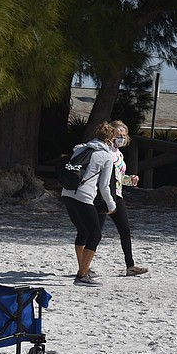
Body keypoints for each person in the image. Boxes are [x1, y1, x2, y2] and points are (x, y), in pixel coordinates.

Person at [61, 122, 117, 287]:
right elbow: (104, 186)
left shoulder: (80, 149)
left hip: (67, 193)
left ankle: (83, 268)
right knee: (95, 234)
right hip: (83, 197)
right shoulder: (106, 156)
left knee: (83, 231)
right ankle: (82, 275)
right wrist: (111, 204)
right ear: (110, 140)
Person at [97, 120, 148, 277]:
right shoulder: (104, 151)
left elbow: (117, 177)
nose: (121, 138)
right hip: (101, 196)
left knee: (125, 230)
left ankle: (130, 265)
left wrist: (129, 180)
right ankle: (84, 267)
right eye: (119, 135)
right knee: (95, 233)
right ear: (111, 134)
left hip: (117, 195)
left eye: (124, 136)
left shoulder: (119, 154)